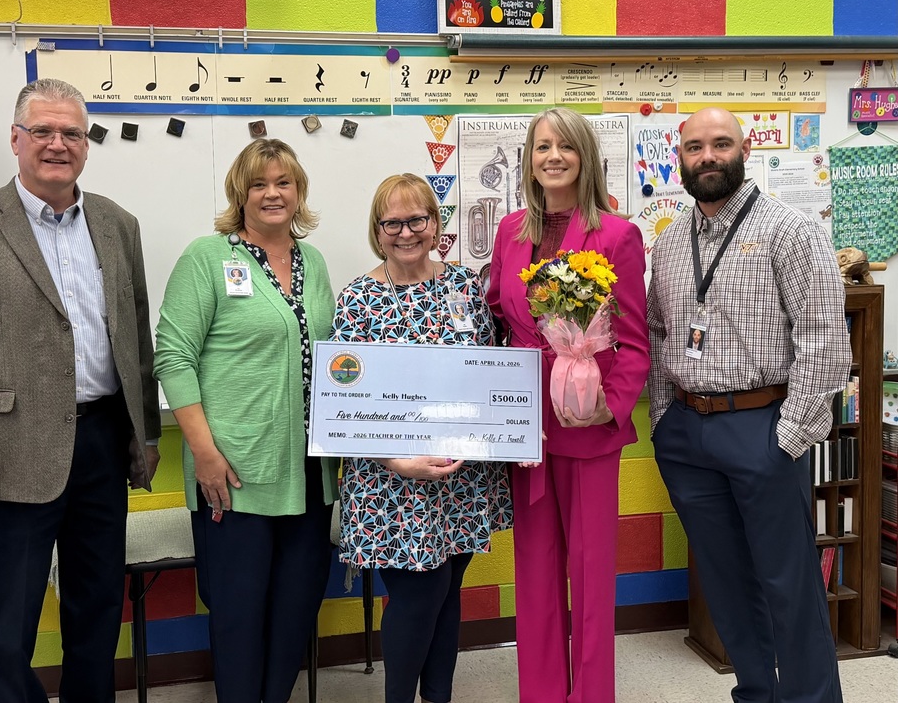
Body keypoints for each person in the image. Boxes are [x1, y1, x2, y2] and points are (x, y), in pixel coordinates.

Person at [0, 78, 161, 702]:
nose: (58, 144)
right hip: (10, 453)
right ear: (15, 139)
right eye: (43, 131)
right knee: (8, 628)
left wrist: (145, 436)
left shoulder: (117, 223)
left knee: (97, 612)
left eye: (71, 133)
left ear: (86, 144)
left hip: (102, 442)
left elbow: (135, 335)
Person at [647, 107, 850, 703]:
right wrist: (663, 420)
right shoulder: (670, 243)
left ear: (745, 150)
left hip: (762, 427)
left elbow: (824, 341)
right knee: (726, 583)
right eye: (694, 147)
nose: (707, 156)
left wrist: (788, 437)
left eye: (721, 143)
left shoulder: (792, 230)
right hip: (687, 431)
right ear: (679, 158)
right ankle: (757, 693)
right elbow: (659, 332)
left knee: (789, 583)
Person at [153, 138, 338, 703]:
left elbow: (334, 358)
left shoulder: (313, 262)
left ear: (299, 191)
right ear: (240, 193)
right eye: (259, 184)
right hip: (233, 472)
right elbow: (173, 356)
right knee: (238, 615)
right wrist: (205, 454)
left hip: (309, 472)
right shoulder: (207, 258)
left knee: (294, 611)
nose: (272, 194)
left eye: (283, 182)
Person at [486, 108, 650, 703]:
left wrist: (610, 404)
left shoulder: (617, 235)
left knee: (590, 571)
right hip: (524, 423)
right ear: (529, 161)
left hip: (588, 420)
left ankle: (591, 695)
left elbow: (635, 340)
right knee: (534, 569)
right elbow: (497, 314)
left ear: (585, 157)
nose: (552, 156)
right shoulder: (509, 231)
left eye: (565, 146)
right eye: (541, 146)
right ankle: (543, 693)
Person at [331, 173, 512, 703]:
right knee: (419, 596)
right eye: (393, 223)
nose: (406, 232)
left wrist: (512, 427)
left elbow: (489, 372)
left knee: (447, 593)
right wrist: (396, 460)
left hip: (461, 480)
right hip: (391, 482)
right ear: (377, 231)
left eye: (417, 220)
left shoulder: (466, 288)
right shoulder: (358, 298)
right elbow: (345, 397)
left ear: (435, 225)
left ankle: (437, 697)